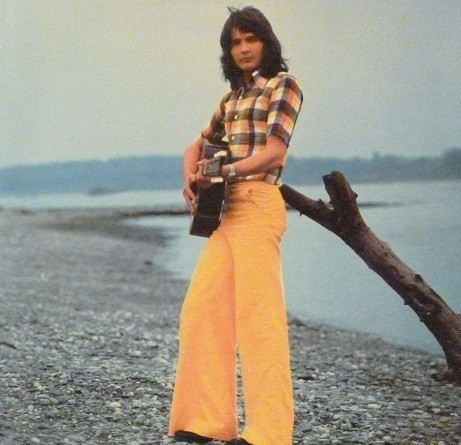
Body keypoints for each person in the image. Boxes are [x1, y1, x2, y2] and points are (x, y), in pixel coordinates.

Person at [169, 6, 303, 445]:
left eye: (251, 39)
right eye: (235, 42)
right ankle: (206, 421)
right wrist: (190, 178)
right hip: (225, 213)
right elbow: (196, 145)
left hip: (259, 204)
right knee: (201, 312)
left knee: (259, 322)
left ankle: (269, 433)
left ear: (266, 42)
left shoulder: (283, 86)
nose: (244, 49)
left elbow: (274, 153)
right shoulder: (231, 99)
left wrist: (224, 171)